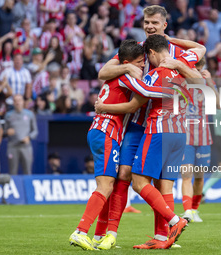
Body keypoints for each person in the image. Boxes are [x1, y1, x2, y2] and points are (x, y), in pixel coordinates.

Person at [94, 5, 204, 250]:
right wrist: (126, 67)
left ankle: (164, 235)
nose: (149, 26)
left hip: (160, 123)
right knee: (123, 175)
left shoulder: (175, 52)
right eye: (146, 22)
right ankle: (109, 234)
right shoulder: (137, 49)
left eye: (154, 22)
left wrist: (177, 61)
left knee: (162, 184)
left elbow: (200, 62)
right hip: (137, 125)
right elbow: (104, 72)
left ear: (165, 25)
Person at [68, 39, 174, 251]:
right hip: (107, 132)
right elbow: (146, 91)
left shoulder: (117, 73)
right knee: (106, 185)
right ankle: (80, 231)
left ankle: (99, 235)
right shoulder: (125, 76)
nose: (142, 66)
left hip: (103, 132)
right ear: (127, 62)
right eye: (138, 62)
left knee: (111, 183)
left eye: (143, 61)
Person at [181, 58, 219, 223]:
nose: (194, 70)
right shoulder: (181, 82)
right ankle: (187, 210)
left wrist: (210, 82)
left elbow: (218, 104)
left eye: (197, 67)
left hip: (203, 137)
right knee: (186, 175)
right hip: (185, 136)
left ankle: (195, 210)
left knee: (199, 176)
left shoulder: (207, 84)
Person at [4, 94, 38, 175]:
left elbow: (35, 131)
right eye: (15, 100)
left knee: (27, 171)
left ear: (23, 101)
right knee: (13, 171)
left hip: (25, 147)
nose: (17, 102)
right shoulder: (8, 115)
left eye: (19, 100)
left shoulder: (29, 114)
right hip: (13, 146)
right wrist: (7, 132)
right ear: (13, 102)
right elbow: (4, 131)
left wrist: (29, 137)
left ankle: (28, 187)